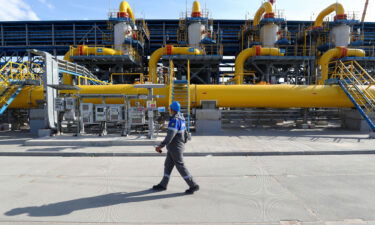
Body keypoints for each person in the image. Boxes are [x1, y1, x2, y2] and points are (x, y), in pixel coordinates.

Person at [152, 101, 199, 194]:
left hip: (175, 147)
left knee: (180, 166)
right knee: (168, 165)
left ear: (172, 109)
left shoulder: (174, 121)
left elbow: (170, 136)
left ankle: (193, 185)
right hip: (175, 147)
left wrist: (160, 145)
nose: (169, 109)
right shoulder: (181, 118)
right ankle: (163, 184)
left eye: (169, 108)